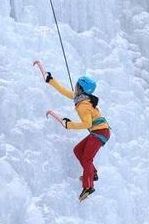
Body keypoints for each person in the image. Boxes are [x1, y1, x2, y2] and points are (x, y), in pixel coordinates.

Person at [44, 70, 111, 201]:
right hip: (100, 131)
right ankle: (93, 173)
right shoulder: (81, 99)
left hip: (100, 132)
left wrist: (70, 125)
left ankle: (88, 186)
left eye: (76, 86)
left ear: (81, 89)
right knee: (78, 150)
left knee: (86, 158)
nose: (74, 87)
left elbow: (87, 123)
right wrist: (51, 81)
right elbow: (65, 91)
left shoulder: (83, 105)